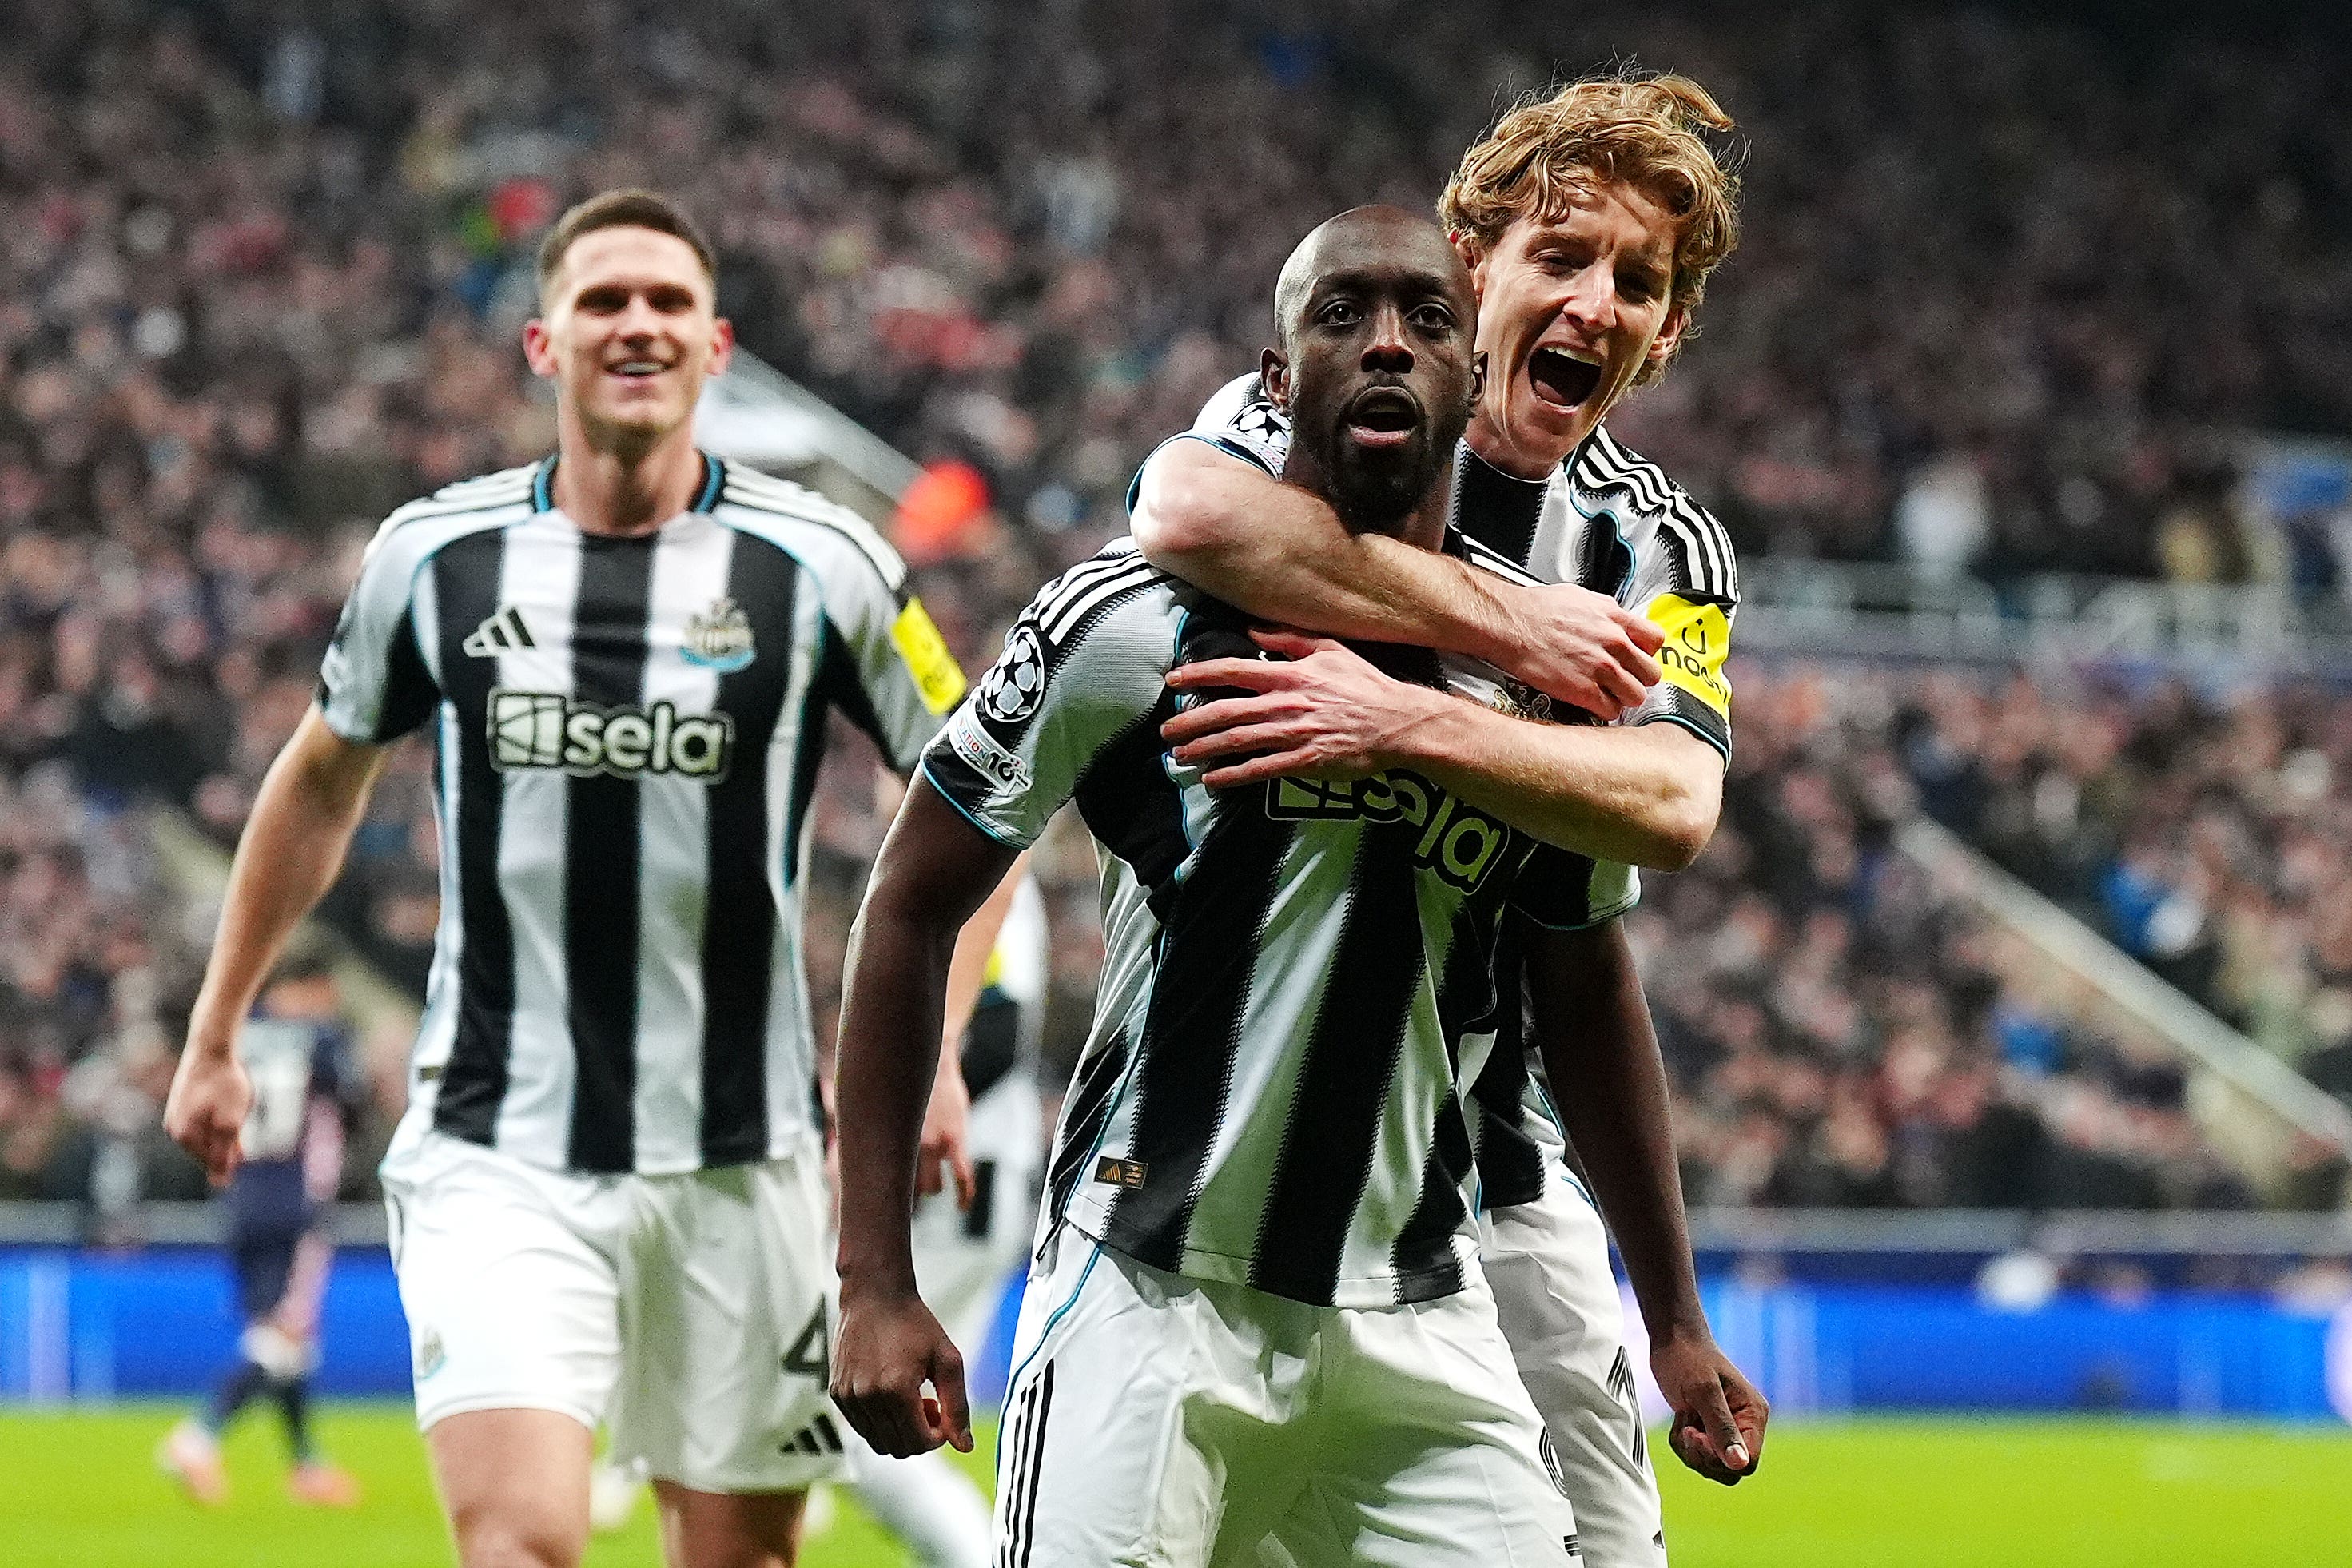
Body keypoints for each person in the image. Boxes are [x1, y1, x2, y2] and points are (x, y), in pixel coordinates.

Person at [834, 203, 1723, 1566]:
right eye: (1340, 315)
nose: (1386, 346)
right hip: (1148, 1288)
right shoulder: (1130, 619)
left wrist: (1672, 1314)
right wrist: (870, 1279)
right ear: (1273, 376)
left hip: (1421, 1315)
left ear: (1471, 374)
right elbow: (907, 900)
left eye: (1426, 322)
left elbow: (1585, 975)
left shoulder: (1533, 689)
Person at [163, 188, 1007, 1568]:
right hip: (499, 1146)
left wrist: (941, 1049)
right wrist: (215, 1027)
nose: (636, 323)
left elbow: (983, 799)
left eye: (668, 301)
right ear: (542, 344)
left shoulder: (826, 563)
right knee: (522, 1544)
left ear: (715, 346)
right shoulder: (433, 556)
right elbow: (317, 780)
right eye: (602, 299)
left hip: (745, 1163)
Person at [1129, 72, 1765, 1565]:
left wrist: (1673, 1315)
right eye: (1562, 255)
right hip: (1237, 1140)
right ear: (1472, 265)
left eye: (1637, 283)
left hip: (1491, 1163)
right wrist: (1515, 626)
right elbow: (1185, 512)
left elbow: (1670, 805)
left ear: (1667, 330)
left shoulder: (1657, 552)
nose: (1594, 302)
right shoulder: (1311, 412)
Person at [842, 873, 1051, 1568]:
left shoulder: (978, 868)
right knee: (886, 1417)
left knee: (866, 1413)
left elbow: (995, 1033)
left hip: (955, 1186)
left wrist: (886, 1120)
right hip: (966, 1184)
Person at [158, 953, 363, 1510]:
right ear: (310, 987)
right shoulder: (321, 1039)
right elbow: (349, 1110)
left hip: (239, 1196)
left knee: (282, 1339)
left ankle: (307, 1465)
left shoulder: (237, 1035)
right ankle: (197, 1438)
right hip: (297, 1204)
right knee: (284, 1337)